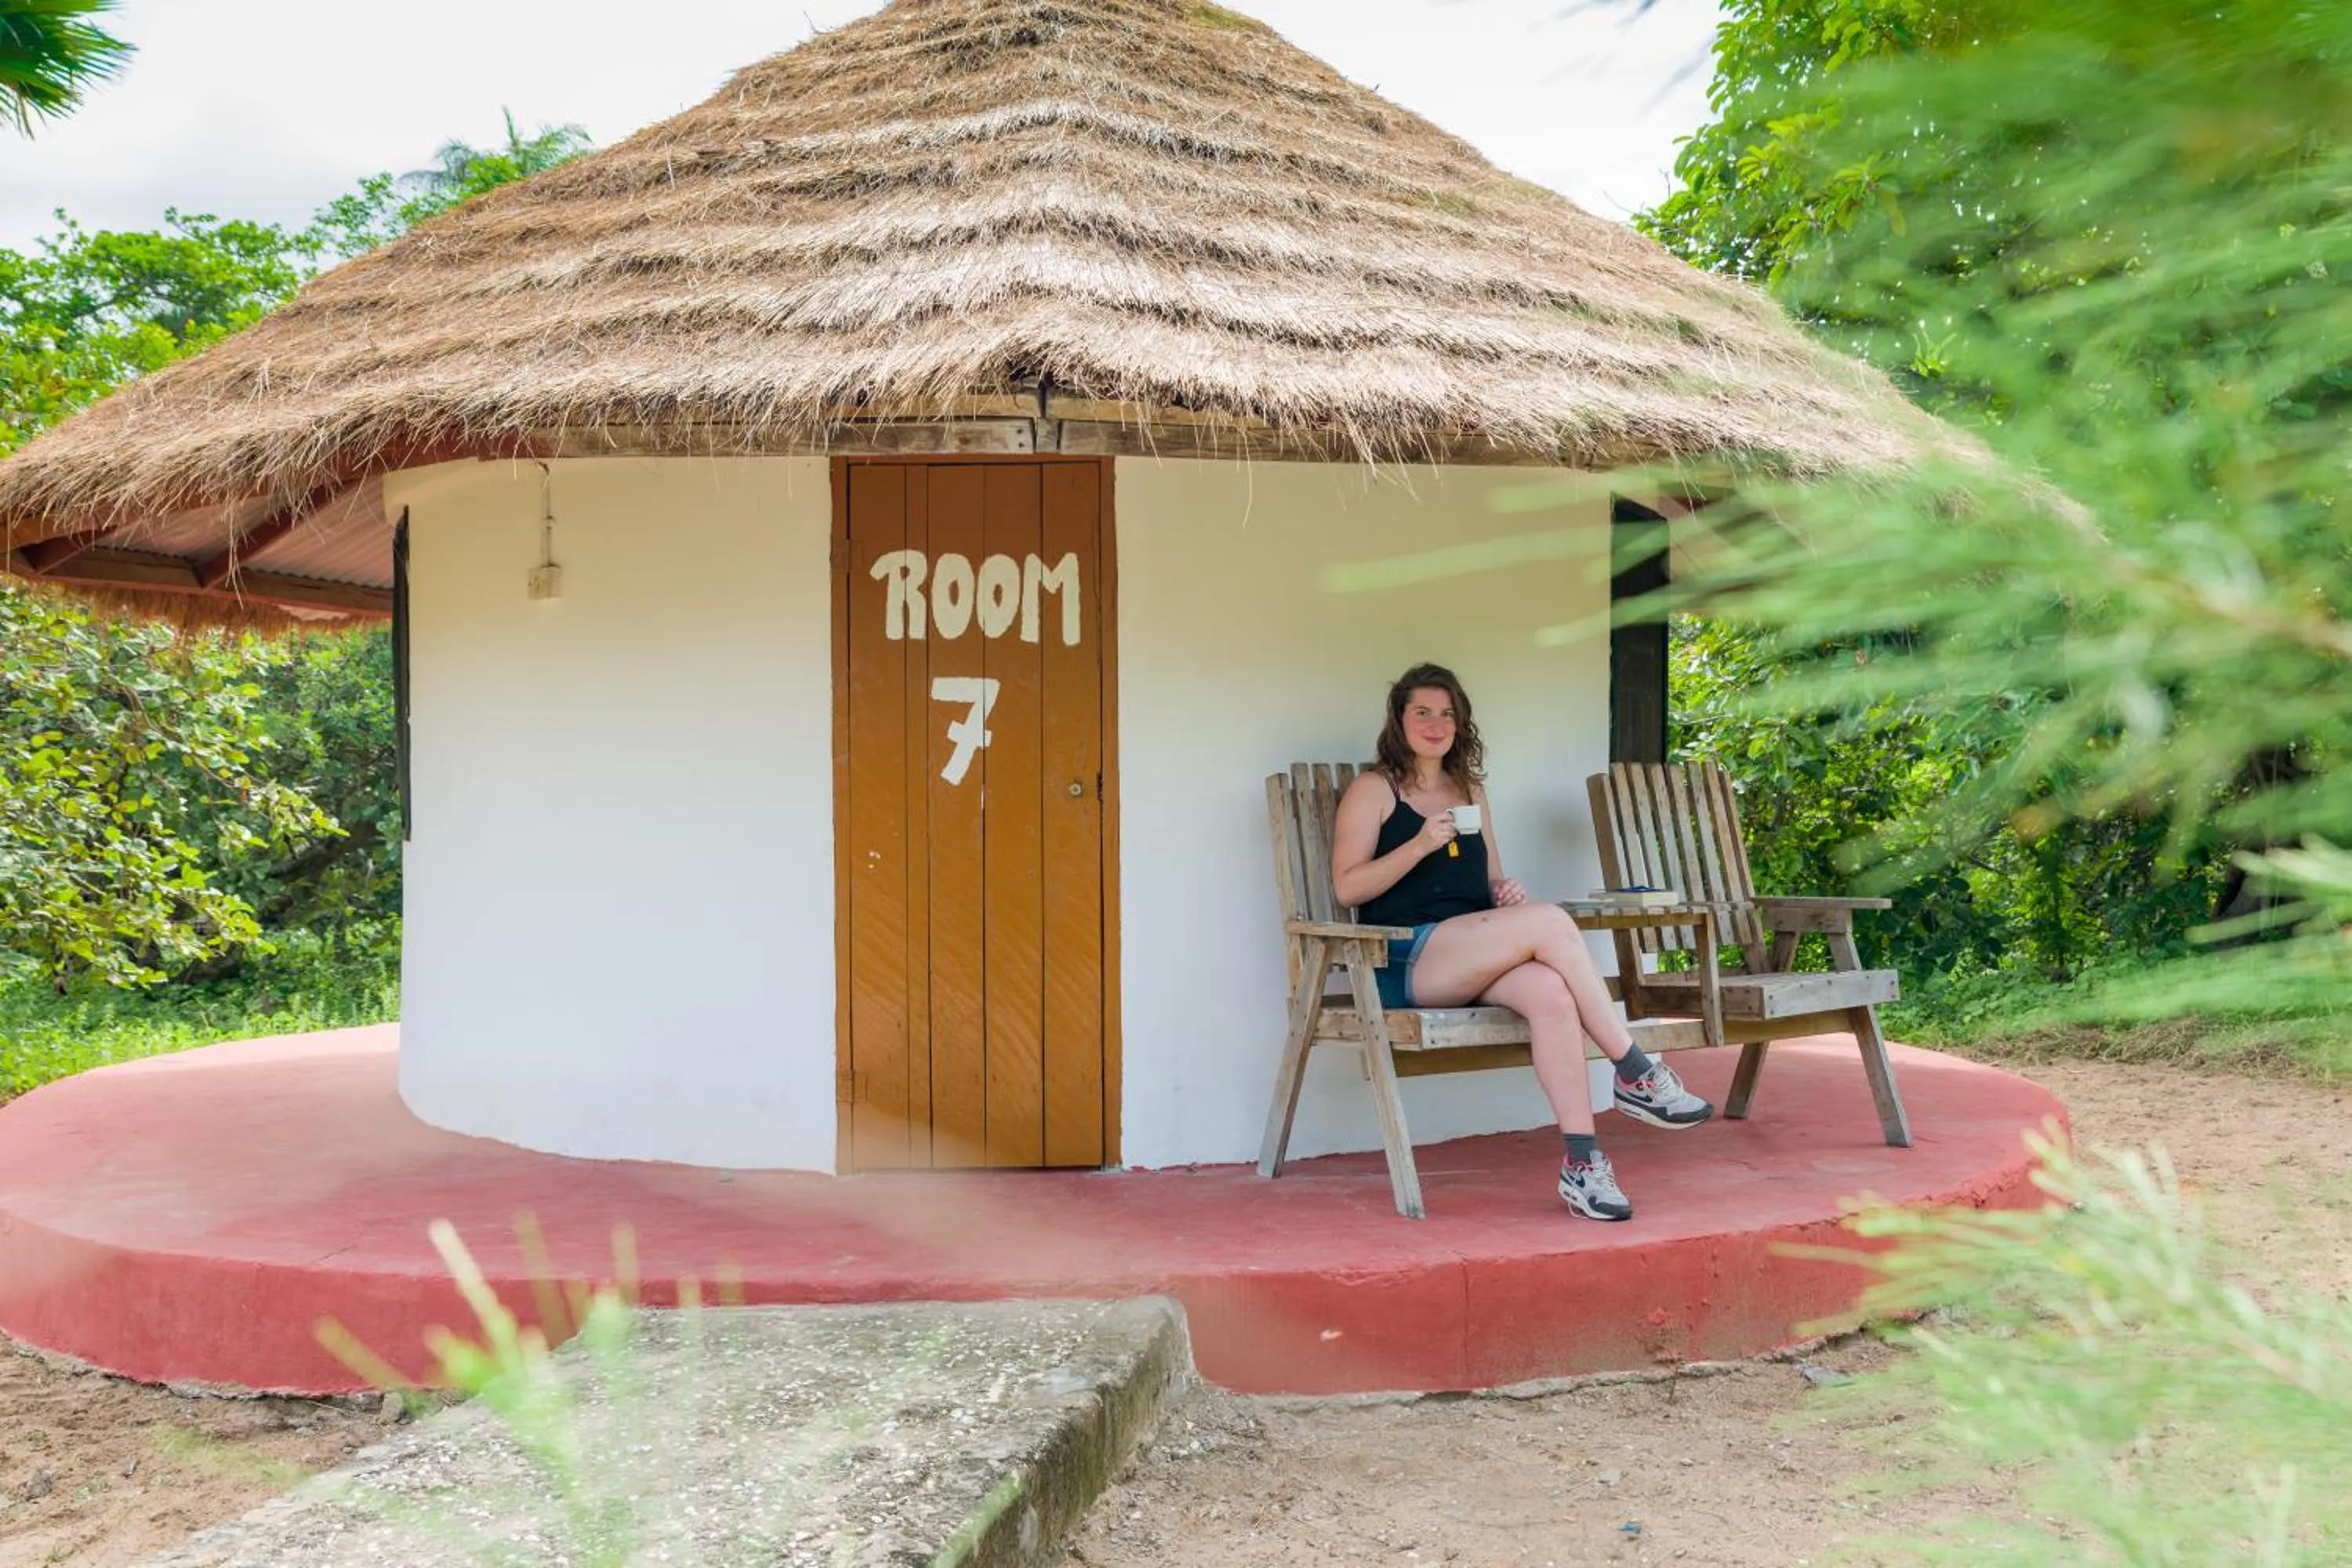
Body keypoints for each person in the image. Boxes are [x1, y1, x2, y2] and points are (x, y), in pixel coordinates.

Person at [1330, 662, 1714, 1220]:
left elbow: (1487, 882)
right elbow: (1347, 888)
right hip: (1404, 957)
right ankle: (1636, 1070)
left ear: (1460, 723)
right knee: (1552, 923)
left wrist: (1502, 892)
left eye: (1447, 714)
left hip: (1466, 953)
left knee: (1552, 996)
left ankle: (1583, 1165)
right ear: (1399, 720)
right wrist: (1418, 846)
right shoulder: (1374, 790)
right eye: (1422, 713)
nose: (1436, 725)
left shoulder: (1469, 792)